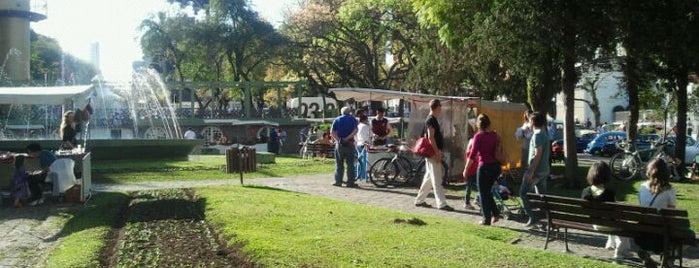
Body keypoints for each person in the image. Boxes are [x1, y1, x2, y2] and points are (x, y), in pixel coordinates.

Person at [634, 158, 696, 267]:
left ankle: (649, 253)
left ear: (649, 171)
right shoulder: (669, 189)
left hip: (644, 230)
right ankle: (669, 255)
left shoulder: (642, 187)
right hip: (663, 231)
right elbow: (671, 213)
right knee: (690, 235)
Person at [580, 161, 630, 260]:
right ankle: (620, 252)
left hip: (595, 224)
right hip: (608, 225)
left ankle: (610, 244)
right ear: (607, 175)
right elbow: (614, 212)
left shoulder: (585, 192)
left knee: (611, 220)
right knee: (625, 226)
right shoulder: (609, 193)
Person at [414, 99, 453, 211]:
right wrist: (437, 153)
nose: (441, 109)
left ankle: (419, 200)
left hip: (431, 153)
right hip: (432, 153)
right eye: (440, 106)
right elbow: (431, 137)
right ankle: (442, 204)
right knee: (437, 179)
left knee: (429, 178)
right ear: (437, 107)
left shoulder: (431, 119)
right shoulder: (431, 120)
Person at [464, 113, 500, 224]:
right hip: (495, 167)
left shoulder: (478, 136)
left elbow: (472, 154)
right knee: (487, 192)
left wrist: (466, 169)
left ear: (478, 124)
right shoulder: (494, 135)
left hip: (484, 167)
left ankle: (486, 219)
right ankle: (496, 213)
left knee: (483, 194)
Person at [520, 111, 550, 227]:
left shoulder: (537, 135)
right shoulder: (544, 134)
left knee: (523, 193)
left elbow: (538, 154)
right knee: (541, 197)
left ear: (532, 122)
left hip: (536, 171)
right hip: (544, 170)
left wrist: (531, 171)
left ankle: (533, 218)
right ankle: (544, 221)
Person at [331, 107, 359, 187]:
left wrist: (339, 140)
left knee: (339, 163)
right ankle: (350, 182)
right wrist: (348, 138)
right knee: (350, 164)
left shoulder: (337, 119)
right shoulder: (353, 119)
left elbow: (332, 132)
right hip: (350, 143)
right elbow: (355, 130)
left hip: (340, 145)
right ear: (349, 112)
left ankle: (338, 181)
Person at [461, 135, 478, 210]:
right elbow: (472, 159)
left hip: (473, 170)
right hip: (471, 171)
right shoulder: (471, 152)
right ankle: (467, 203)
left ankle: (473, 200)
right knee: (470, 187)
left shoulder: (469, 150)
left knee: (470, 187)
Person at [355, 114, 371, 182]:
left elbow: (355, 136)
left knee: (359, 160)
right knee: (364, 161)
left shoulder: (357, 126)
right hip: (364, 145)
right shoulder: (366, 127)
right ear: (365, 119)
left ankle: (359, 175)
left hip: (358, 144)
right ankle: (363, 176)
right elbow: (370, 135)